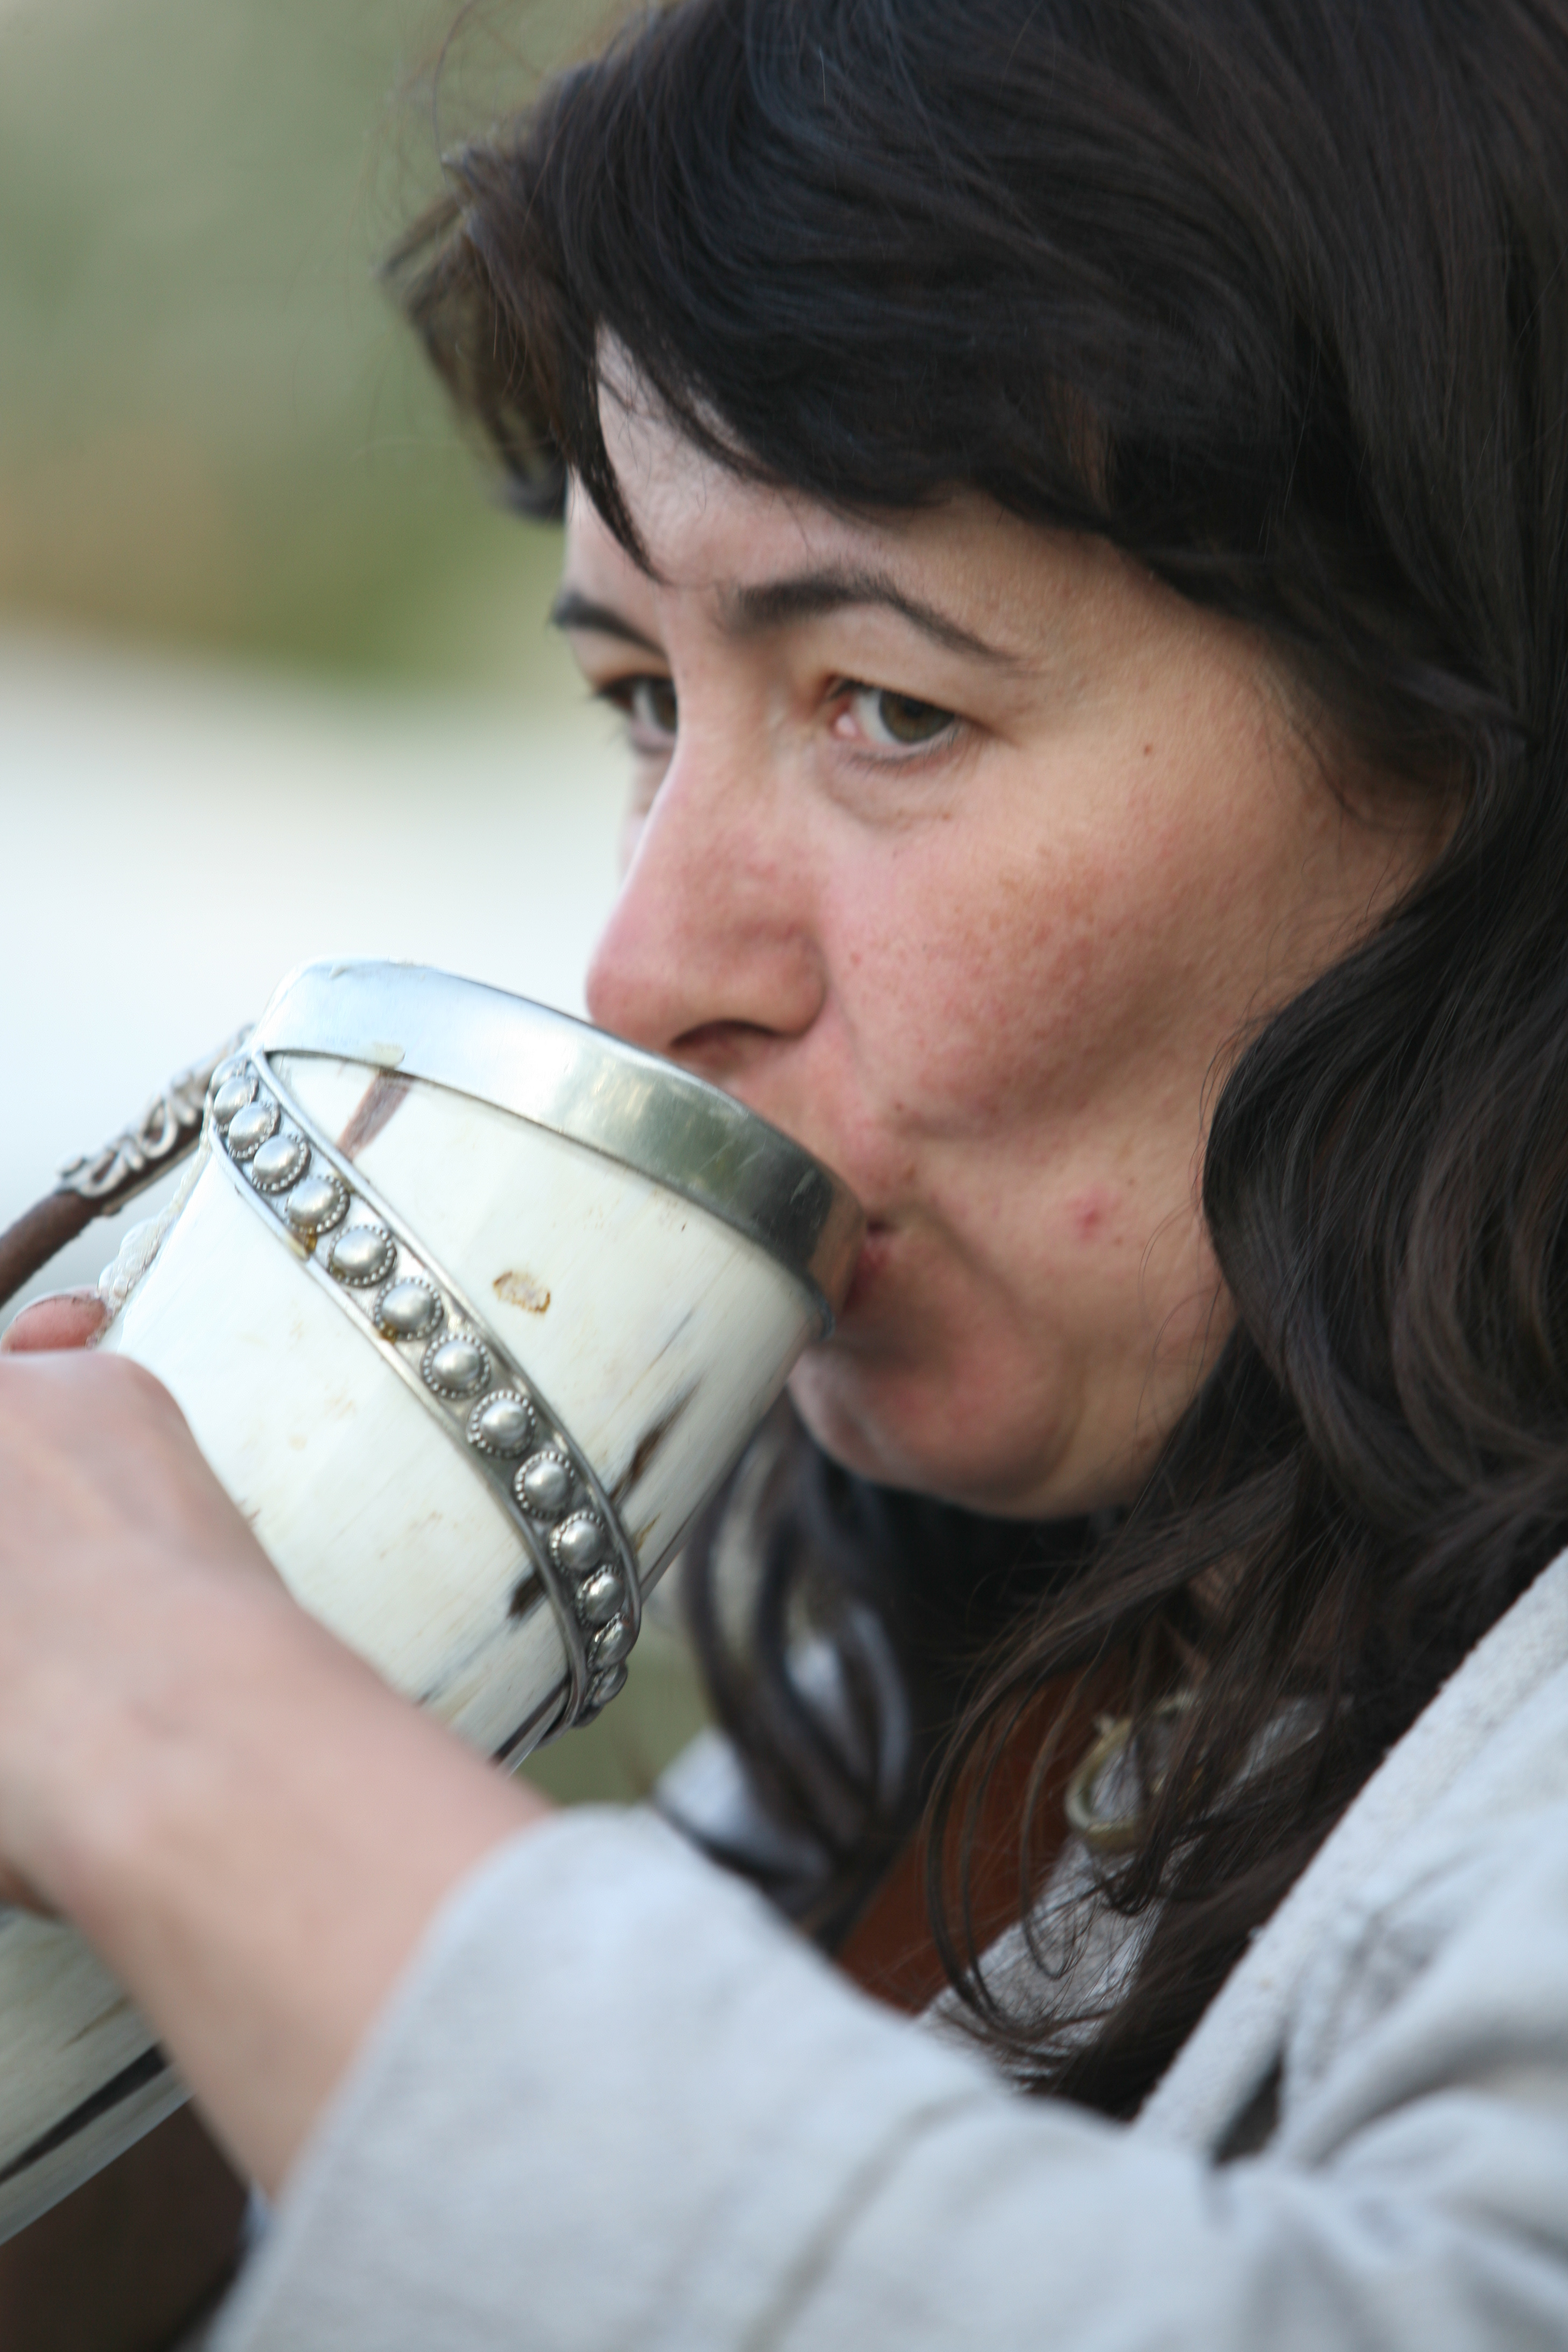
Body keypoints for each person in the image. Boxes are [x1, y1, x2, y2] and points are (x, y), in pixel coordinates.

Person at [4, 0, 1568, 2342]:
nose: (644, 969)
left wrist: (181, 1731)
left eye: (891, 707)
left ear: (1482, 768)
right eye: (643, 701)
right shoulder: (934, 1709)